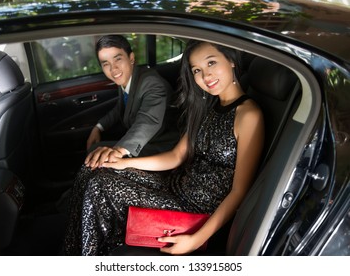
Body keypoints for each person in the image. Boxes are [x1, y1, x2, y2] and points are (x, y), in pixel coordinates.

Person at [63, 39, 265, 255]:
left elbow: (239, 191)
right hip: (173, 186)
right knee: (95, 167)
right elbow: (177, 156)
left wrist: (196, 240)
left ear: (231, 60)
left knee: (100, 186)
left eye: (211, 63)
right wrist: (123, 163)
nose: (206, 76)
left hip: (194, 210)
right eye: (197, 70)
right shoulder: (208, 107)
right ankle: (72, 248)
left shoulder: (249, 116)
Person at [86, 35, 179, 166]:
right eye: (106, 64)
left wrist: (118, 150)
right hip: (142, 141)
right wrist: (98, 127)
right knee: (95, 152)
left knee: (99, 158)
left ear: (131, 58)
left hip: (160, 147)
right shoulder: (126, 78)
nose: (113, 69)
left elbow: (148, 121)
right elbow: (120, 108)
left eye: (118, 59)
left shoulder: (151, 83)